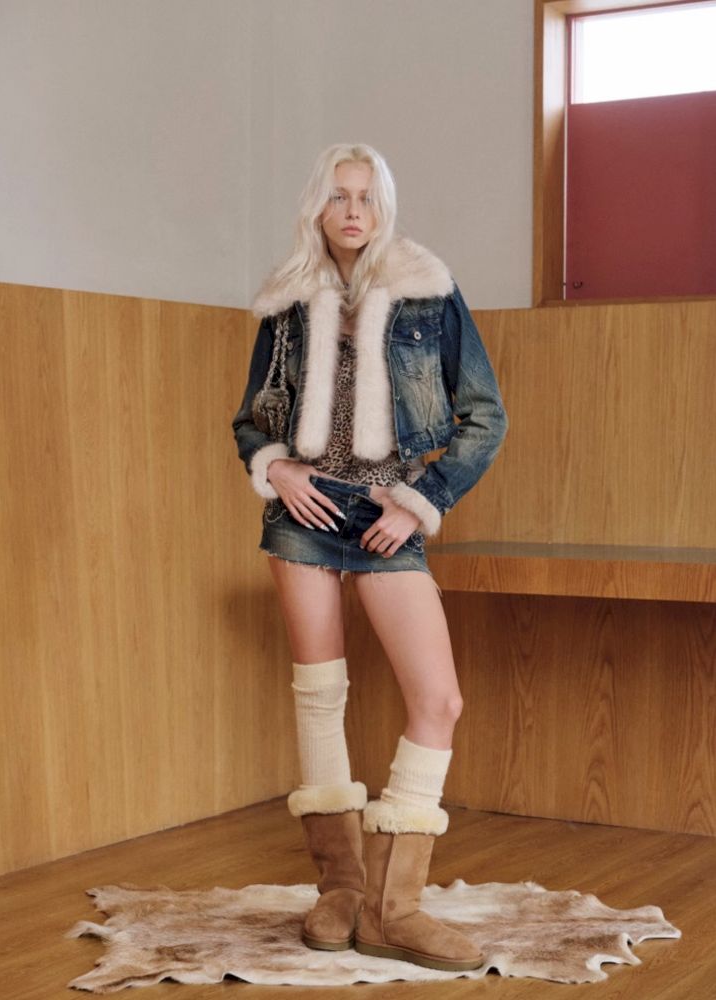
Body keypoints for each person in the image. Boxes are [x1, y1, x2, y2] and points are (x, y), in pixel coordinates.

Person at [232, 142, 508, 973]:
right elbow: (251, 418)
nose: (353, 211)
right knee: (320, 697)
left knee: (439, 699)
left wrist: (421, 500)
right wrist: (276, 467)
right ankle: (342, 890)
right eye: (338, 196)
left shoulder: (429, 290)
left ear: (383, 207)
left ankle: (395, 907)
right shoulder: (287, 300)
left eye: (366, 196)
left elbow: (485, 416)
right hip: (305, 513)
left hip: (388, 514)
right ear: (318, 208)